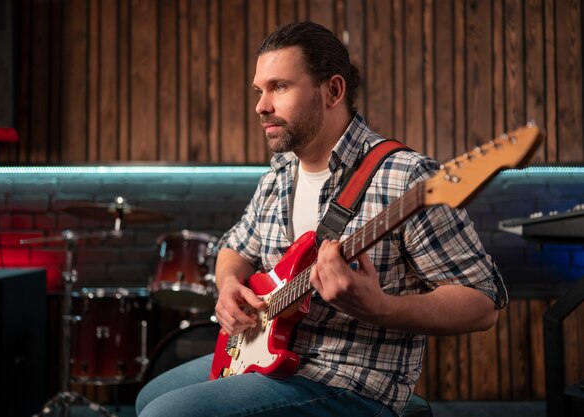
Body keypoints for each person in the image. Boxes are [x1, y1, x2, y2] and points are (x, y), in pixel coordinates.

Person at [136, 21, 507, 417]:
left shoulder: (406, 177)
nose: (261, 106)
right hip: (273, 358)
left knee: (166, 414)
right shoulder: (280, 173)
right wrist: (228, 285)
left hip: (350, 382)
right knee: (147, 397)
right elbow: (234, 247)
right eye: (260, 91)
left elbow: (484, 302)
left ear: (332, 91)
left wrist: (379, 307)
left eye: (279, 87)